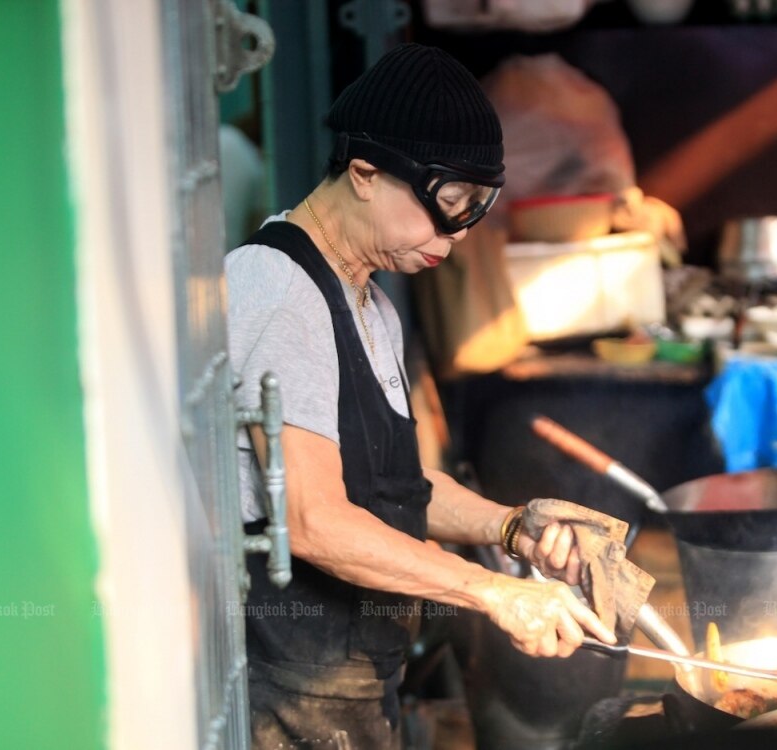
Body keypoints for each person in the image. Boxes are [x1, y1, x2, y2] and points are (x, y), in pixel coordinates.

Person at [225, 43, 617, 749]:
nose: (459, 234)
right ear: (366, 173)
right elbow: (313, 519)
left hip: (353, 679)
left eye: (476, 209)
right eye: (448, 203)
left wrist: (510, 528)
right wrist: (495, 591)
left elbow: (389, 486)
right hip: (288, 693)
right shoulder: (279, 289)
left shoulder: (370, 304)